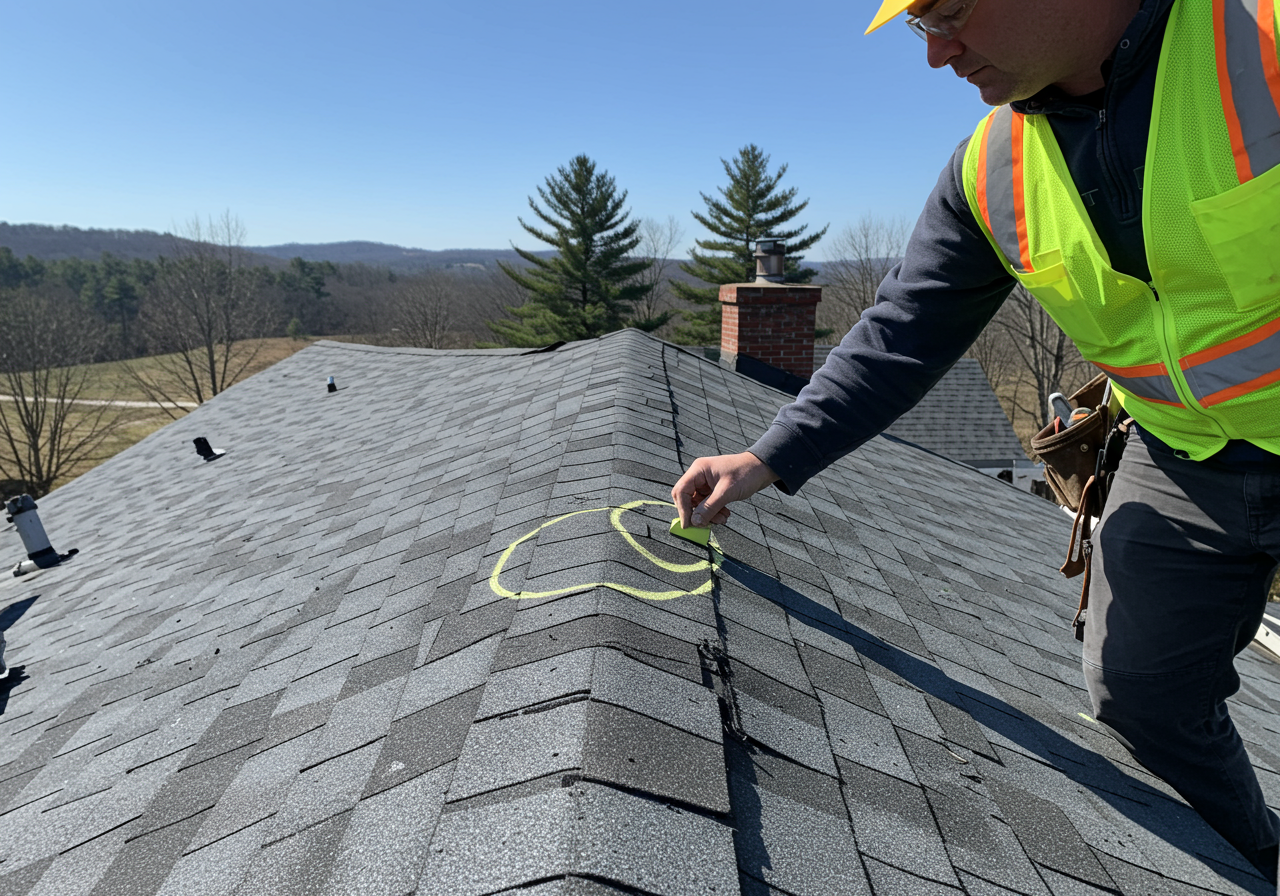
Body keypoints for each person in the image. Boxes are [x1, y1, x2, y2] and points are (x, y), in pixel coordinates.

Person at [672, 0, 1280, 882]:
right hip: (1188, 454)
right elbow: (902, 330)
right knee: (1141, 689)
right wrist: (768, 455)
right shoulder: (993, 170)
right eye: (920, 26)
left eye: (950, 15)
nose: (938, 56)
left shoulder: (1256, 42)